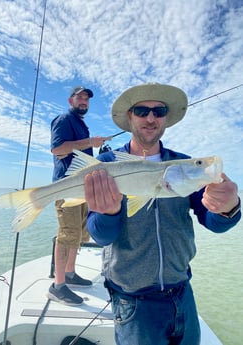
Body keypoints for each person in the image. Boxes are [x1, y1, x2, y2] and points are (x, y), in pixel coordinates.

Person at [83, 83, 241, 344]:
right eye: (142, 110)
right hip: (133, 303)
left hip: (182, 294)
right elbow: (100, 235)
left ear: (166, 118)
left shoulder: (184, 165)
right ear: (130, 117)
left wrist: (229, 208)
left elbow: (213, 221)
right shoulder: (106, 166)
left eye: (159, 111)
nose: (150, 117)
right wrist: (109, 213)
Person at [47, 86, 109, 306]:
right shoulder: (64, 119)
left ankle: (70, 273)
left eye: (86, 99)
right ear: (70, 100)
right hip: (66, 188)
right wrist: (90, 142)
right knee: (67, 234)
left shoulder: (81, 124)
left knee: (78, 233)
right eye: (79, 97)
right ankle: (58, 286)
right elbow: (57, 149)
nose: (84, 101)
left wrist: (91, 143)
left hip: (81, 189)